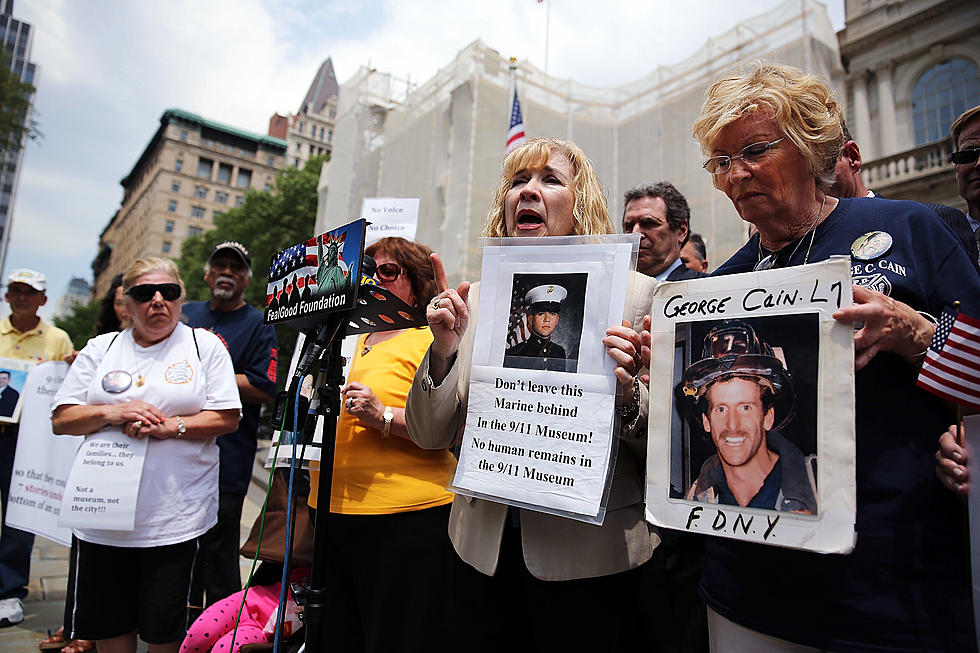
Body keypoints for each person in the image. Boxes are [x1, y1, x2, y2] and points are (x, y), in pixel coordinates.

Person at [686, 62, 980, 651]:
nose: (735, 174)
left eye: (754, 150)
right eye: (720, 162)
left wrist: (912, 331)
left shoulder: (912, 227)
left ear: (809, 144)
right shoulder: (717, 286)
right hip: (747, 591)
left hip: (893, 585)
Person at [406, 137, 656, 652]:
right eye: (518, 181)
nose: (529, 192)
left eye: (550, 180)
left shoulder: (635, 295)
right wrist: (446, 348)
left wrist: (629, 396)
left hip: (589, 563)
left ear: (579, 201)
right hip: (481, 554)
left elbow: (667, 447)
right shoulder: (474, 299)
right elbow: (429, 434)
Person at [51, 257, 241, 653]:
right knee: (108, 624)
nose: (157, 301)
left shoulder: (202, 345)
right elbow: (63, 418)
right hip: (102, 514)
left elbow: (227, 416)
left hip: (173, 517)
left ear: (181, 298)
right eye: (144, 294)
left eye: (168, 292)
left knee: (164, 629)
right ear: (126, 302)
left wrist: (170, 426)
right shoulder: (101, 348)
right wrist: (111, 411)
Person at [307, 236, 461, 653]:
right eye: (367, 271)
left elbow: (452, 429)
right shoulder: (338, 339)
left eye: (388, 271)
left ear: (416, 284)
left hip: (405, 519)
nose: (373, 279)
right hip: (329, 513)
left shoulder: (431, 341)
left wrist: (385, 417)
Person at [183, 241, 277, 607]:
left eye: (235, 268)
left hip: (227, 458)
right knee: (175, 549)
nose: (226, 272)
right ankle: (177, 626)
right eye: (219, 265)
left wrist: (197, 376)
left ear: (246, 280)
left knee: (219, 552)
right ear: (206, 275)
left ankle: (224, 631)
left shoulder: (257, 324)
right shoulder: (184, 314)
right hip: (174, 450)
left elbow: (264, 386)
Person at [0, 268, 74, 628]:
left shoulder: (58, 339)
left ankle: (9, 591)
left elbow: (66, 386)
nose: (22, 297)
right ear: (7, 295)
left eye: (30, 292)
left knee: (18, 516)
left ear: (43, 299)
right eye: (16, 290)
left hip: (25, 440)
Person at [681, 322, 816, 513]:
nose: (733, 425)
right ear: (706, 421)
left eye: (745, 407)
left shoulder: (819, 484)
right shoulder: (698, 495)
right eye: (721, 409)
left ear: (768, 417)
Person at [829, 120, 979, 269]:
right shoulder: (808, 247)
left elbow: (964, 291)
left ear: (853, 157)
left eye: (822, 164)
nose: (812, 180)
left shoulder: (935, 220)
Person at [623, 181, 705, 281]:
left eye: (648, 223)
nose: (635, 233)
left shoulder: (710, 289)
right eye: (628, 227)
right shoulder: (610, 291)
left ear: (681, 230)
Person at [503, 283, 569, 371]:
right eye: (541, 314)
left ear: (557, 320)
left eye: (552, 314)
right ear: (530, 319)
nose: (547, 319)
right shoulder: (514, 353)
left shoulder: (559, 352)